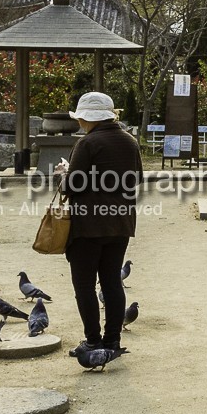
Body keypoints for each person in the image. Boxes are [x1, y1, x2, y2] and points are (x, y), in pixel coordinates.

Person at [54, 91, 142, 358]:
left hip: (88, 225)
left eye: (81, 118)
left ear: (88, 118)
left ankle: (93, 341)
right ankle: (112, 340)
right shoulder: (130, 141)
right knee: (112, 282)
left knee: (84, 285)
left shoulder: (87, 143)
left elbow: (72, 185)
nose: (80, 122)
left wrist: (63, 175)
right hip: (121, 223)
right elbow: (136, 178)